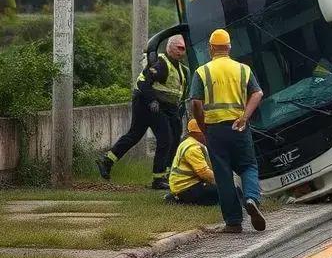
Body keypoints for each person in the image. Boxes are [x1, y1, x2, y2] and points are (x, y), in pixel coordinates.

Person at [190, 28, 267, 233]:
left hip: (215, 129)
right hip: (239, 126)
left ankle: (233, 222)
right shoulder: (243, 69)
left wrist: (202, 124)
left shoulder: (202, 71)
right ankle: (251, 198)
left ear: (210, 49)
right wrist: (245, 116)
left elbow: (196, 103)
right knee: (248, 165)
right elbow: (258, 93)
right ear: (229, 47)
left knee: (223, 175)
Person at [97, 35, 189, 189]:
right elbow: (142, 82)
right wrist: (152, 100)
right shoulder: (161, 64)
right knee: (165, 137)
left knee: (143, 134)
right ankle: (158, 178)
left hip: (165, 106)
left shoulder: (181, 69)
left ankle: (107, 161)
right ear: (169, 46)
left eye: (184, 49)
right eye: (179, 48)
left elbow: (176, 92)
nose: (182, 52)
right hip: (146, 103)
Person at [168, 119, 218, 205]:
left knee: (223, 191)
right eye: (204, 132)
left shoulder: (187, 143)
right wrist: (221, 180)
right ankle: (179, 199)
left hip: (183, 186)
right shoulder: (193, 148)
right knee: (226, 192)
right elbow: (204, 172)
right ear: (197, 133)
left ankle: (177, 197)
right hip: (186, 188)